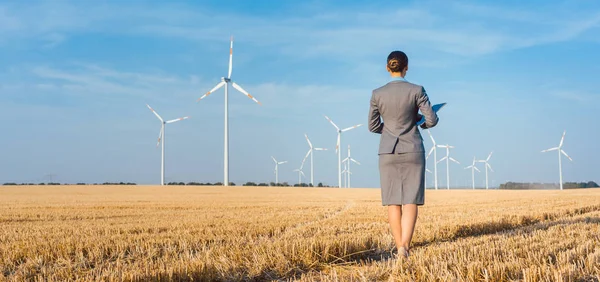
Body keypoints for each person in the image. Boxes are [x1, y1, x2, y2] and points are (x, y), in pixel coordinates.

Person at [368, 50, 439, 259]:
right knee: (410, 200)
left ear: (387, 68)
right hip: (413, 149)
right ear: (406, 67)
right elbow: (432, 120)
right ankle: (405, 247)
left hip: (388, 151)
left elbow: (372, 126)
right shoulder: (417, 90)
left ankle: (398, 245)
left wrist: (390, 131)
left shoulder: (377, 94)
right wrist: (420, 123)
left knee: (393, 201)